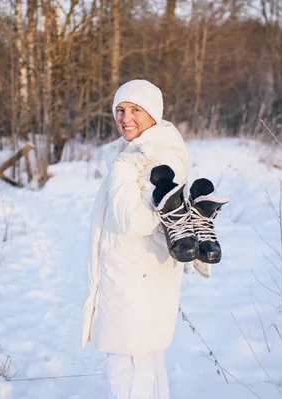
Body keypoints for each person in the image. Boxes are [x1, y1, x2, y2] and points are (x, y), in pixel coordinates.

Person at [81, 79, 189, 399]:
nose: (125, 118)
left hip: (137, 280)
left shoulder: (157, 157)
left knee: (128, 365)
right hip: (129, 276)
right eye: (120, 110)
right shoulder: (135, 150)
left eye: (135, 110)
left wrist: (122, 169)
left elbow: (134, 220)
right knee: (144, 361)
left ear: (153, 114)